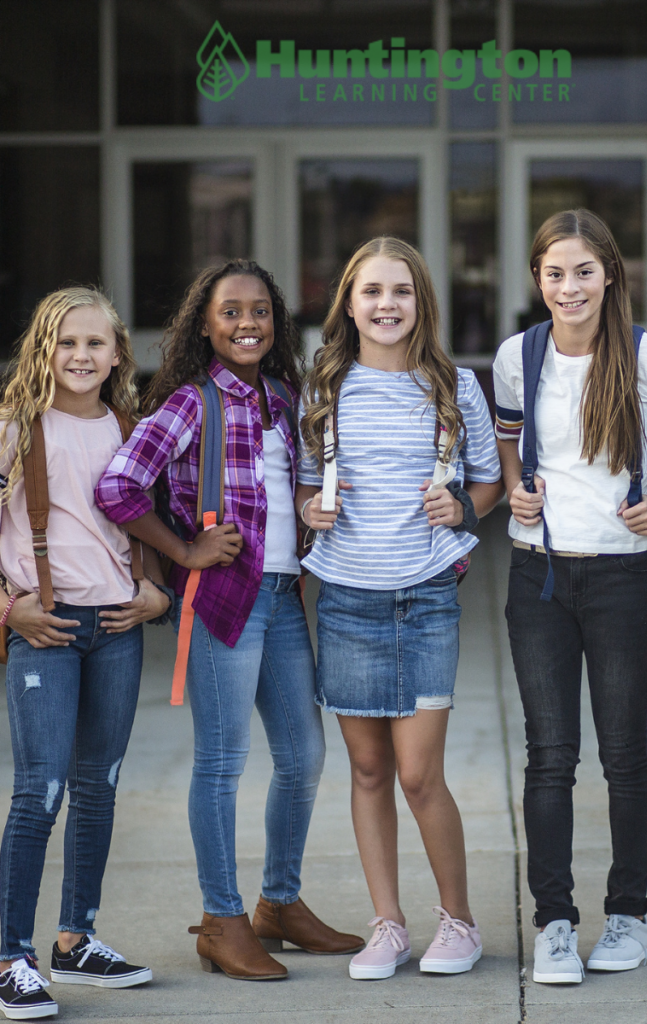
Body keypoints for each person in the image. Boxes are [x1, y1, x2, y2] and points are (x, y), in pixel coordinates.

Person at [95, 259, 362, 981]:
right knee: (221, 763)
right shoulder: (189, 402)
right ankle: (221, 917)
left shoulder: (284, 396)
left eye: (261, 312)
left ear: (277, 323)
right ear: (205, 325)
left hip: (281, 600)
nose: (248, 323)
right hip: (222, 602)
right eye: (232, 312)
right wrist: (184, 549)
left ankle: (280, 903)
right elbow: (118, 486)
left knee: (303, 756)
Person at [493, 209, 647, 985]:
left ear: (610, 276)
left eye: (584, 271)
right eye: (555, 273)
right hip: (541, 576)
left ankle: (628, 916)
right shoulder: (516, 355)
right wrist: (516, 488)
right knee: (550, 757)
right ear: (537, 280)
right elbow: (509, 436)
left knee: (624, 754)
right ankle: (554, 922)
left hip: (626, 576)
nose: (569, 287)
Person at [296, 237, 503, 981]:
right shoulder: (323, 387)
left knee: (419, 773)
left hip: (425, 597)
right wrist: (307, 512)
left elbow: (488, 485)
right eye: (372, 291)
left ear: (423, 303)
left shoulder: (454, 387)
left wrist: (461, 508)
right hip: (347, 596)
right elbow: (304, 484)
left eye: (402, 291)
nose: (387, 305)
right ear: (348, 304)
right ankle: (387, 924)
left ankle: (460, 920)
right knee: (368, 768)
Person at [0, 288, 170, 1021]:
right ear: (44, 349)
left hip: (119, 627)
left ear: (117, 353)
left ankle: (77, 940)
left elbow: (154, 525)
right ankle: (12, 956)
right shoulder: (16, 430)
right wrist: (10, 608)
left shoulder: (130, 429)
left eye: (95, 344)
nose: (80, 356)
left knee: (99, 784)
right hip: (47, 627)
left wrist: (157, 591)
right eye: (67, 343)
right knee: (40, 790)